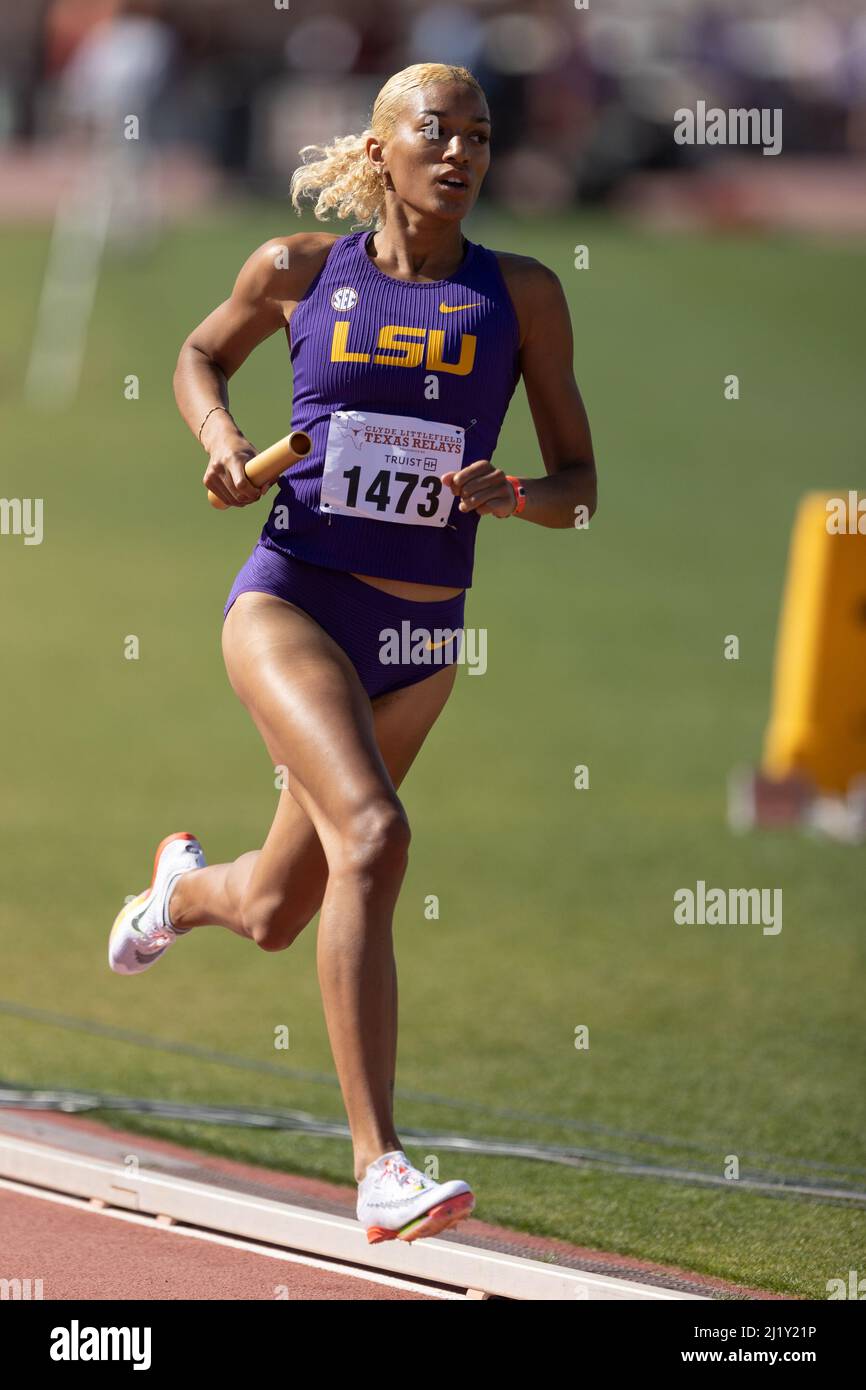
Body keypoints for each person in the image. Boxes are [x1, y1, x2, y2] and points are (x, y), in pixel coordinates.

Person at [108, 61, 597, 1245]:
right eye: (436, 130)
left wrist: (513, 496)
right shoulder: (298, 273)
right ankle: (378, 1166)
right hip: (291, 600)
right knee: (374, 835)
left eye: (479, 135)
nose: (461, 153)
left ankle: (179, 890)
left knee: (279, 905)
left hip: (423, 632)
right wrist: (223, 439)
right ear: (381, 148)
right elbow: (195, 355)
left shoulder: (519, 296)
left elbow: (579, 492)